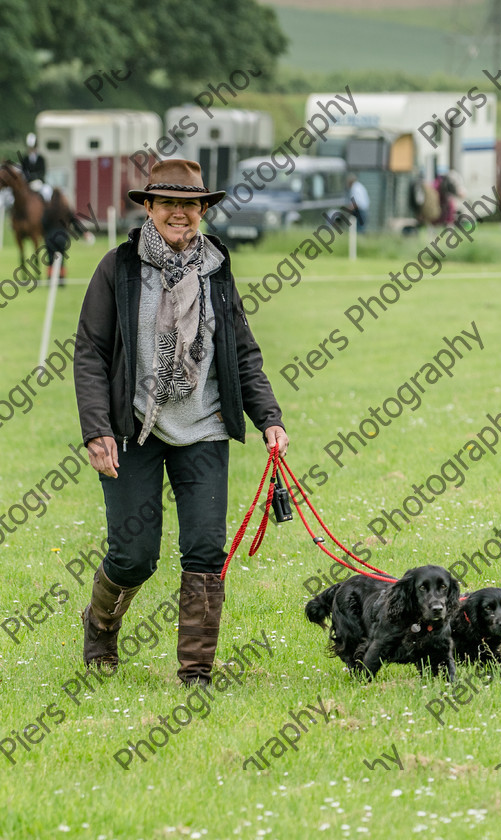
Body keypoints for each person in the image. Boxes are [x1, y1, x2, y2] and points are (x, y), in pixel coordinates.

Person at [73, 159, 289, 686]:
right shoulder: (118, 268)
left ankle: (196, 671)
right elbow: (91, 352)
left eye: (189, 205)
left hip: (205, 427)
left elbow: (242, 353)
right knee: (134, 555)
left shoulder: (216, 269)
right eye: (167, 203)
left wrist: (269, 418)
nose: (179, 214)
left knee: (205, 551)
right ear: (148, 207)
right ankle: (100, 624)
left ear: (202, 211)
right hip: (134, 430)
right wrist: (97, 428)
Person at [20, 133, 53, 201]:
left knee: (47, 192)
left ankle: (47, 210)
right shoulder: (25, 159)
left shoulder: (41, 159)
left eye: (33, 148)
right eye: (30, 148)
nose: (31, 150)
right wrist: (29, 179)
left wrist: (36, 177)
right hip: (28, 183)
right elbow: (23, 172)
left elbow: (43, 172)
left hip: (40, 182)